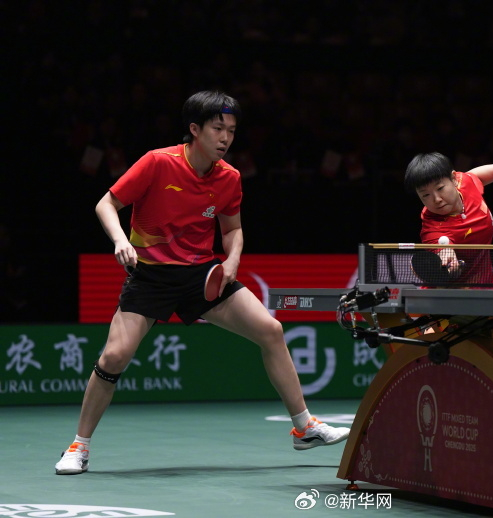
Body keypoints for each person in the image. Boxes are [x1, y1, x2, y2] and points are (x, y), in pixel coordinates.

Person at [55, 91, 349, 475]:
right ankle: (79, 445)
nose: (225, 138)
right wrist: (120, 241)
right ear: (194, 129)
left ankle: (304, 427)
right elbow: (105, 204)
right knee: (113, 357)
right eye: (217, 129)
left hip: (201, 275)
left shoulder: (230, 177)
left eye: (231, 130)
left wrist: (233, 259)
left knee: (271, 330)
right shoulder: (158, 162)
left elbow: (233, 229)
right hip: (151, 276)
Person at [404, 140, 493, 285]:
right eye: (425, 195)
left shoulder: (465, 183)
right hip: (453, 295)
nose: (436, 199)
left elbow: (475, 176)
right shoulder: (433, 230)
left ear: (454, 179)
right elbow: (442, 249)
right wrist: (449, 261)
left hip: (485, 286)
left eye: (440, 188)